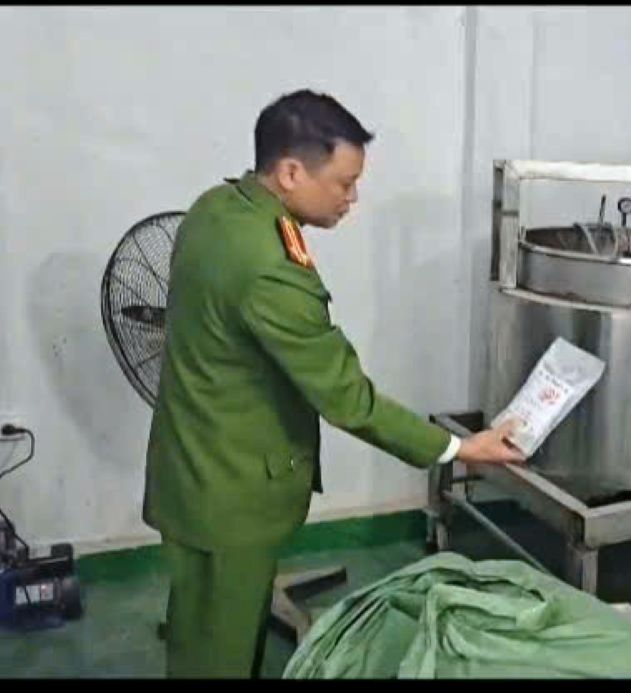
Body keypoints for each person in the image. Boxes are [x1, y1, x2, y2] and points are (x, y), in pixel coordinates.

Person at [142, 89, 524, 678]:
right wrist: (458, 448)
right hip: (230, 496)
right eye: (344, 183)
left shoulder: (216, 209)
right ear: (291, 172)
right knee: (219, 655)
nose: (353, 199)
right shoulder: (268, 266)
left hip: (191, 467)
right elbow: (347, 399)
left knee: (201, 627)